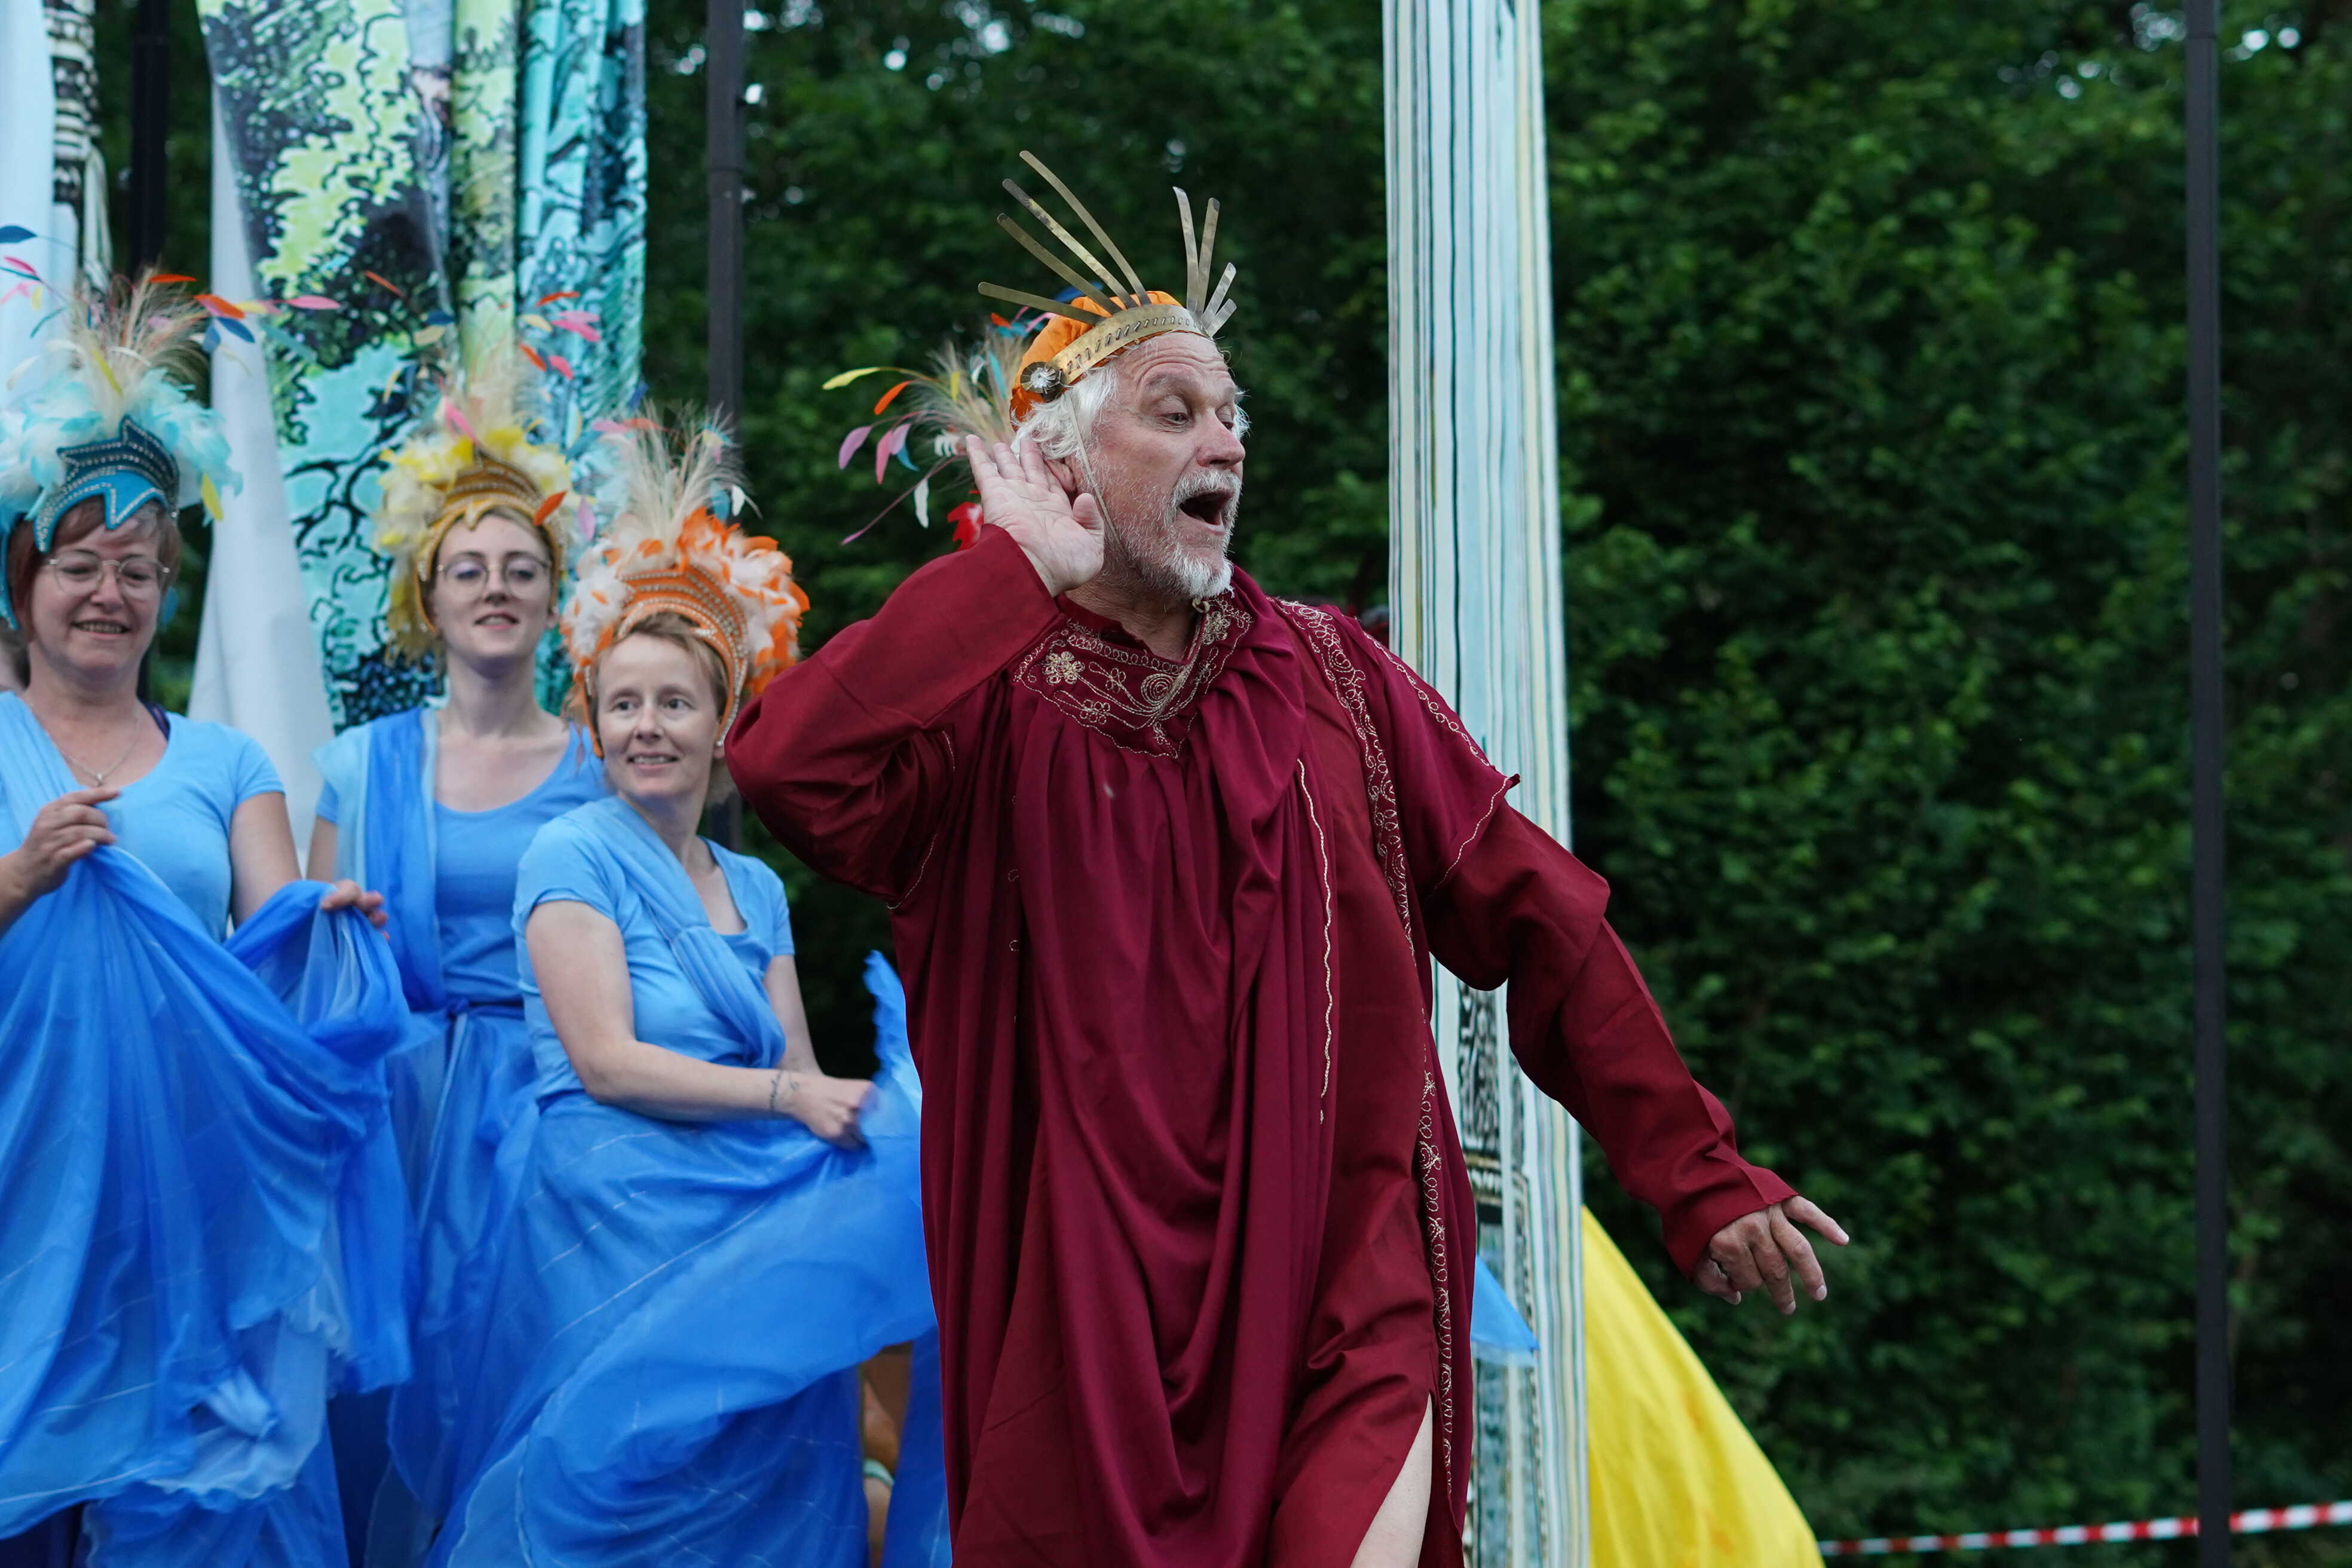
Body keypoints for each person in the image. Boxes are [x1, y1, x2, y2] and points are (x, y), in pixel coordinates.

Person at [728, 155, 1852, 1568]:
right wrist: (1009, 575)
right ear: (1065, 465)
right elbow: (789, 767)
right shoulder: (981, 707)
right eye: (1175, 411)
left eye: (1232, 413)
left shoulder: (1340, 681)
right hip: (1086, 1339)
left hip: (1346, 1303)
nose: (1228, 441)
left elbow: (1546, 920)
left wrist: (1697, 1167)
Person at [428, 415, 945, 1567]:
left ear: (724, 725)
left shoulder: (756, 885)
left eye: (675, 703)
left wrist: (883, 1120)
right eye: (623, 705)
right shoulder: (567, 854)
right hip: (606, 1228)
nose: (647, 728)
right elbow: (608, 1063)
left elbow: (799, 1066)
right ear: (594, 727)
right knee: (608, 1490)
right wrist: (792, 1100)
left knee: (764, 1480)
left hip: (746, 1229)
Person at [0, 275, 406, 1567]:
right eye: (78, 567)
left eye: (137, 570)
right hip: (17, 1160)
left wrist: (325, 917)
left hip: (174, 1172)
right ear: (24, 584)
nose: (106, 594)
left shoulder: (229, 762)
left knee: (159, 1485)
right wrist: (20, 876)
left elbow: (268, 930)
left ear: (167, 592)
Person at [301, 343, 607, 1551]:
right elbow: (312, 964)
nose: (495, 588)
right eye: (468, 570)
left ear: (551, 597)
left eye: (522, 570)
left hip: (540, 1111)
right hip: (392, 1118)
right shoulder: (358, 762)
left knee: (516, 1386)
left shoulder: (600, 766)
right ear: (425, 599)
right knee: (378, 1397)